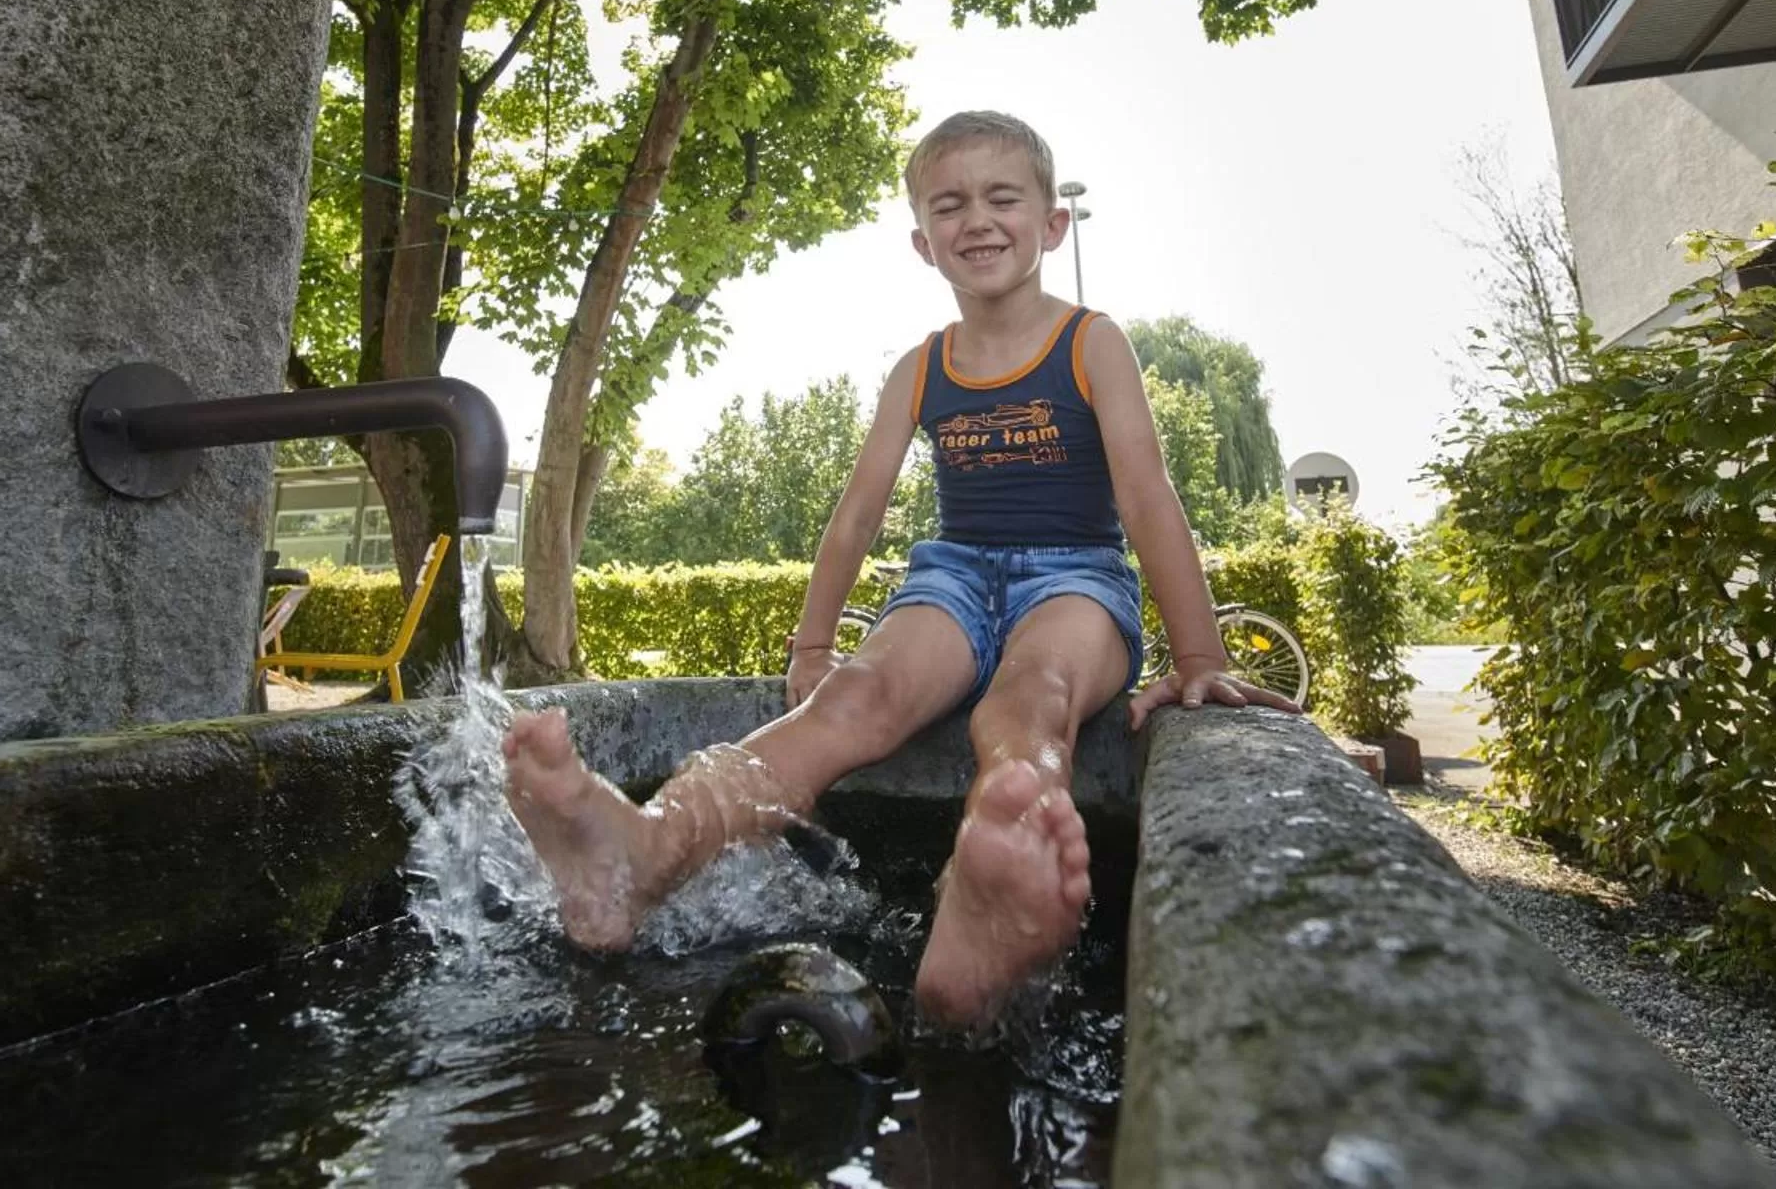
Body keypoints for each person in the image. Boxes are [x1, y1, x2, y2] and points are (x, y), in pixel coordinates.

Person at [502, 109, 1299, 1026]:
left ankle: (989, 890)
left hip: (1076, 580)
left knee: (1027, 698)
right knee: (854, 698)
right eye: (950, 205)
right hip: (954, 575)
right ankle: (640, 855)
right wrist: (812, 647)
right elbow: (858, 513)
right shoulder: (920, 369)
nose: (979, 220)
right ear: (924, 243)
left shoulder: (1091, 342)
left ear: (1052, 224)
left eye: (1004, 198)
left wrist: (1199, 657)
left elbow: (1148, 494)